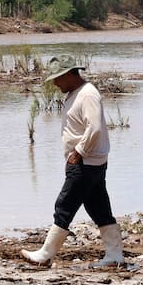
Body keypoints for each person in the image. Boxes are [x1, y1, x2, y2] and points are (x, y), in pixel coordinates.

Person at [21, 56, 125, 267]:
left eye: (57, 78)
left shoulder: (87, 94)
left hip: (85, 163)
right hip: (91, 162)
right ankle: (115, 256)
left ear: (70, 74)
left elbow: (94, 128)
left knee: (64, 206)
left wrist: (78, 152)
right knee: (99, 209)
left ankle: (45, 255)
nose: (55, 83)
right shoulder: (76, 93)